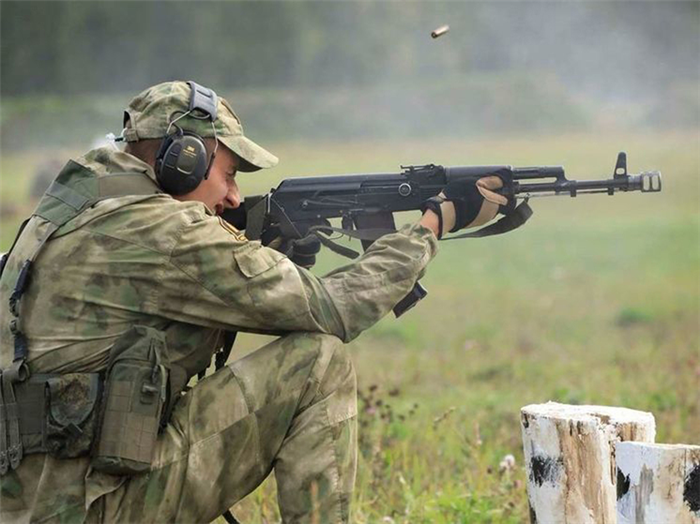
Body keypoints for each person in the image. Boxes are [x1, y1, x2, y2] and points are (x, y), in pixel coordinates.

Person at [0, 81, 511, 523]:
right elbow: (334, 309)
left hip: (28, 503)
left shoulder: (62, 215)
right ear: (184, 162)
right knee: (318, 363)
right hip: (92, 509)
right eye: (229, 174)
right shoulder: (161, 231)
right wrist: (432, 225)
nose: (234, 198)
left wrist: (259, 251)